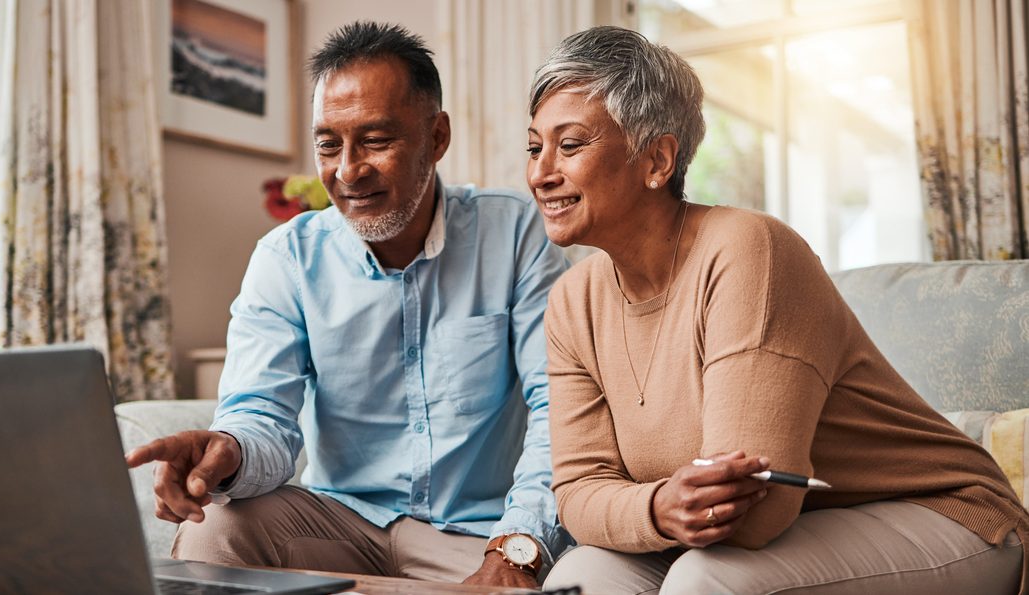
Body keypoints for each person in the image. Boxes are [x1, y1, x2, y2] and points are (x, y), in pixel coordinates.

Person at [526, 25, 1028, 594]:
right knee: (582, 576)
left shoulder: (749, 251)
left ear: (657, 159)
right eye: (534, 146)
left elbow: (755, 514)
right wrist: (659, 507)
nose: (541, 173)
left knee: (705, 581)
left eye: (569, 145)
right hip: (772, 535)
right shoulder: (572, 302)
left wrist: (649, 508)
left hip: (946, 516)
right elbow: (577, 493)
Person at [126, 21, 569, 588]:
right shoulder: (286, 257)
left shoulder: (513, 234)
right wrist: (227, 449)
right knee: (215, 528)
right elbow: (262, 415)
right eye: (328, 144)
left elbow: (560, 410)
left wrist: (516, 549)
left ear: (436, 138)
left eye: (377, 140)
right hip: (340, 525)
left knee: (572, 578)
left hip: (479, 534)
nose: (348, 170)